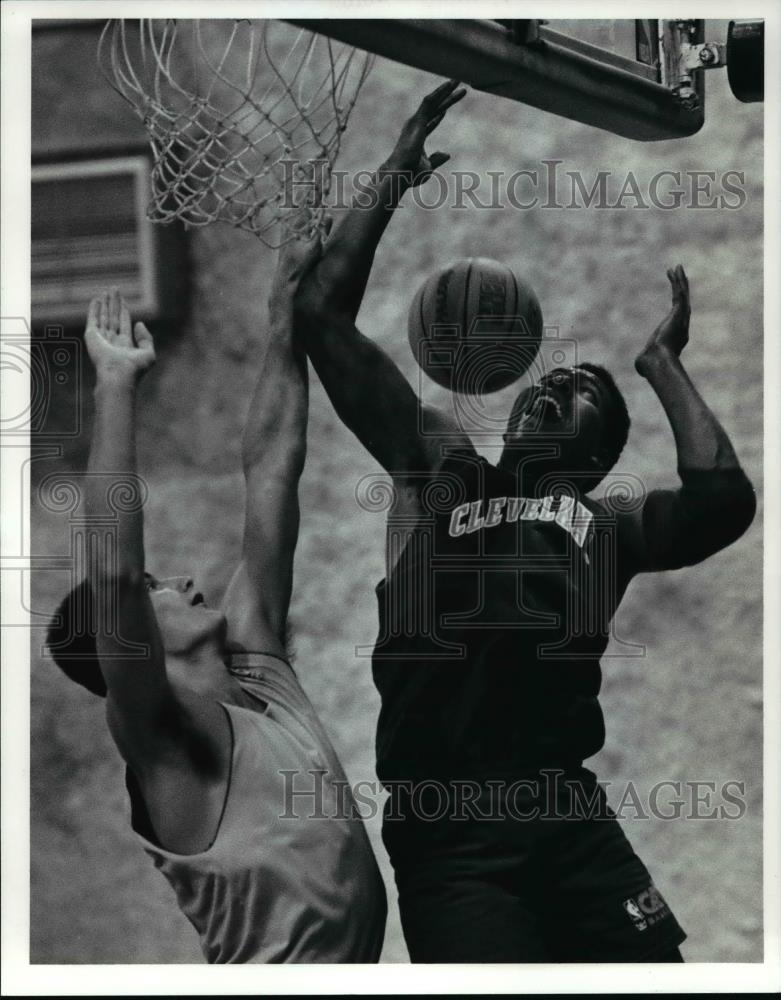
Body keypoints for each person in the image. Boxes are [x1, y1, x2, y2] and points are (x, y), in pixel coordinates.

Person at [292, 81, 757, 962]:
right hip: (450, 825)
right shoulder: (441, 472)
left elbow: (724, 501)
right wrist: (393, 173)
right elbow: (320, 316)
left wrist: (659, 365)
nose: (553, 389)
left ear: (601, 454)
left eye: (581, 393)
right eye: (549, 383)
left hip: (565, 810)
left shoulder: (608, 525)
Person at [46, 225, 387, 963]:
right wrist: (114, 385)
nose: (181, 582)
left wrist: (281, 318)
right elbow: (111, 572)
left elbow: (270, 469)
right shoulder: (164, 740)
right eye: (154, 586)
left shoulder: (258, 661)